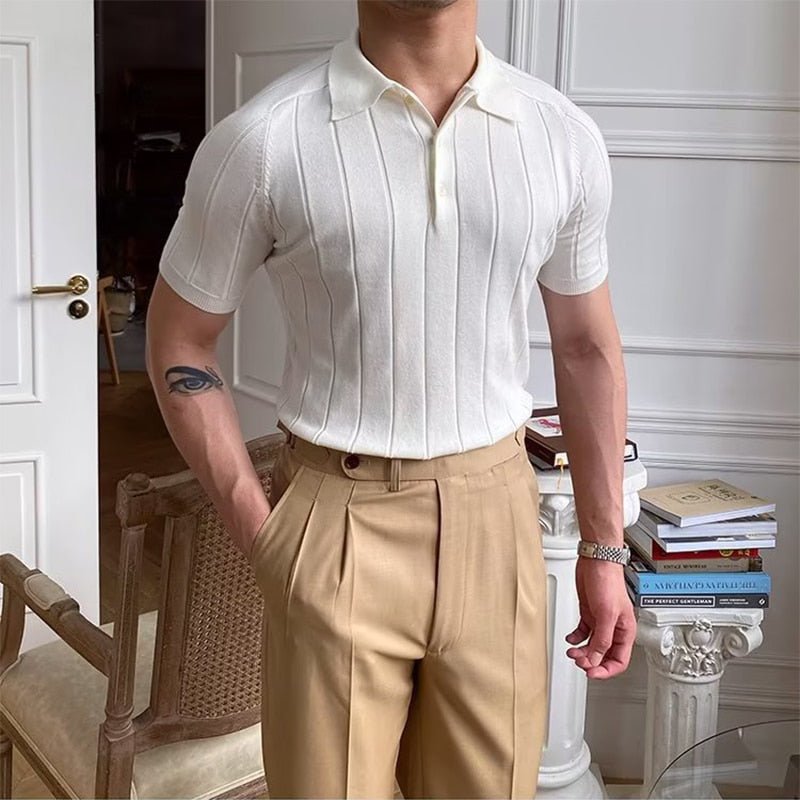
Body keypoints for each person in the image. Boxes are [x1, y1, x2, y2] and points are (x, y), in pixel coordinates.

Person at [145, 0, 636, 797]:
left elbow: (586, 348)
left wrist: (604, 548)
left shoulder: (559, 136)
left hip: (499, 521)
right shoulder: (264, 141)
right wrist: (265, 537)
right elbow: (179, 339)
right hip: (334, 521)